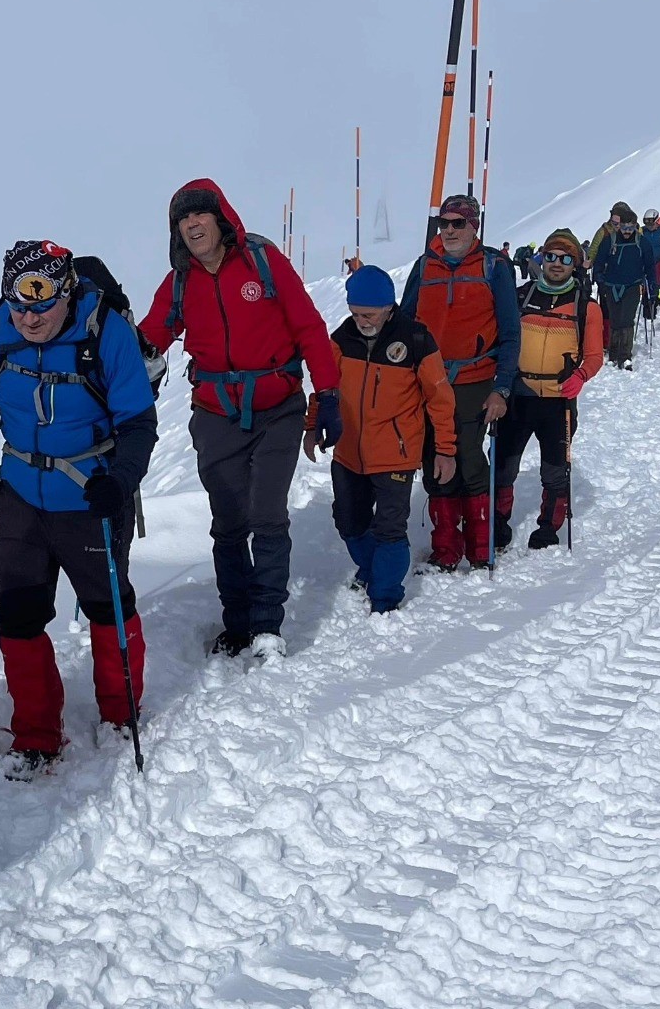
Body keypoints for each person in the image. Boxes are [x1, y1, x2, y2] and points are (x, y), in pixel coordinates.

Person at [0, 241, 157, 777]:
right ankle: (36, 736)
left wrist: (120, 480)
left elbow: (138, 423)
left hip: (90, 492)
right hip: (20, 493)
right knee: (17, 611)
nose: (28, 317)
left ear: (67, 293)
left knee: (107, 604)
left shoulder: (107, 332)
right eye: (18, 304)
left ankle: (120, 715)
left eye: (40, 304)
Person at [140, 179, 339, 659]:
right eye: (182, 220)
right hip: (215, 415)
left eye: (199, 214)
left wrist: (329, 393)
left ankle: (267, 626)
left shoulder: (263, 262)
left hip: (279, 408)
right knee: (228, 523)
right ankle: (238, 623)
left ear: (220, 218)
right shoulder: (180, 282)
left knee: (266, 515)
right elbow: (149, 340)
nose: (191, 224)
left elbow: (309, 327)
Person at [304, 265, 455, 613]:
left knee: (389, 528)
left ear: (389, 307)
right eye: (355, 313)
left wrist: (445, 449)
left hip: (396, 455)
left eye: (369, 314)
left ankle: (385, 598)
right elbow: (325, 386)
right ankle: (371, 570)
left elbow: (440, 398)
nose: (362, 320)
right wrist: (313, 426)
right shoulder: (342, 338)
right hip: (348, 451)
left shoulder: (416, 340)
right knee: (348, 520)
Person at [401, 194, 521, 571]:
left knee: (468, 458)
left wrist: (502, 388)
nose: (449, 230)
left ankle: (481, 546)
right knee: (434, 457)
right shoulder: (424, 266)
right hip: (428, 380)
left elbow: (510, 332)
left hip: (475, 380)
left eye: (458, 223)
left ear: (474, 227)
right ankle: (446, 549)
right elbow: (403, 324)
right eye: (444, 223)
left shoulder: (494, 266)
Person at [495, 230, 603, 551]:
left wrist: (581, 376)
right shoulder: (519, 296)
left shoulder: (586, 307)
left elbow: (595, 356)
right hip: (518, 395)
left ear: (575, 264)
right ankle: (498, 524)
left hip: (559, 401)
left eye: (566, 258)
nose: (557, 264)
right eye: (552, 256)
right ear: (541, 258)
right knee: (502, 465)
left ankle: (548, 527)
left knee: (555, 469)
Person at [590, 202, 657, 366]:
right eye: (624, 228)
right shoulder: (609, 240)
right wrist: (599, 279)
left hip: (632, 286)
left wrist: (652, 287)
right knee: (615, 319)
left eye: (630, 228)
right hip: (611, 286)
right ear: (619, 226)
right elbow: (599, 262)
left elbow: (649, 266)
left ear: (635, 226)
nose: (627, 232)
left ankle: (625, 354)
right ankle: (613, 353)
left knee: (627, 319)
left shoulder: (642, 242)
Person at [640, 208, 660, 321]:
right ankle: (648, 311)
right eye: (647, 223)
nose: (649, 226)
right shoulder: (642, 232)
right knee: (647, 287)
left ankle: (659, 302)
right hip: (645, 264)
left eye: (651, 223)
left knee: (659, 286)